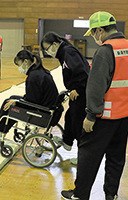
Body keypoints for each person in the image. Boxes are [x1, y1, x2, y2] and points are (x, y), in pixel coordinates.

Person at [61, 11, 128, 200]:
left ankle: (80, 195)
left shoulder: (106, 51)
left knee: (88, 155)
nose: (95, 38)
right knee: (116, 157)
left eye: (94, 33)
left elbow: (95, 87)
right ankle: (110, 194)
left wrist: (90, 115)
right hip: (126, 114)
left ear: (99, 30)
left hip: (105, 116)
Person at [0, 50, 58, 139]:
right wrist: (19, 99)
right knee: (12, 98)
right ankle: (0, 124)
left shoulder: (33, 77)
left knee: (8, 103)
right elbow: (36, 94)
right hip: (46, 105)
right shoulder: (39, 71)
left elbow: (32, 101)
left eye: (19, 64)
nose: (19, 68)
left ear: (25, 61)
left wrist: (17, 102)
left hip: (41, 111)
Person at [41, 32, 90, 165]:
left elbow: (82, 71)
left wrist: (78, 88)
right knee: (70, 116)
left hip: (81, 92)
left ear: (55, 44)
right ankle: (67, 141)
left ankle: (83, 159)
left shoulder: (68, 52)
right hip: (77, 91)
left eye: (47, 49)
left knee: (79, 123)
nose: (47, 52)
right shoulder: (64, 53)